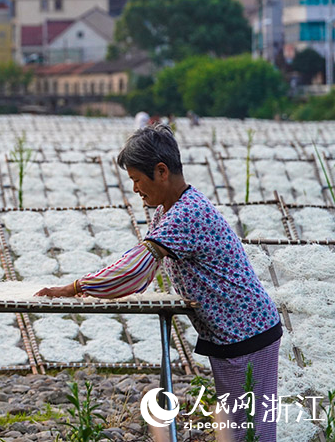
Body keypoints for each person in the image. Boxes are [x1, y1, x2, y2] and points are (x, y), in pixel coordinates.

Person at [36, 126, 281, 440]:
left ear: (161, 171)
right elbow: (144, 266)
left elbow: (135, 269)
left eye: (138, 180)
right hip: (234, 334)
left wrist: (75, 287)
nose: (136, 189)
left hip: (248, 335)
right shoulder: (168, 211)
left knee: (251, 432)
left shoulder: (187, 213)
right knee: (240, 428)